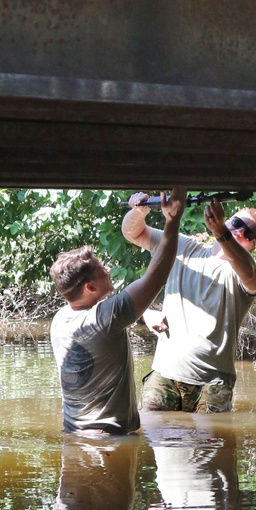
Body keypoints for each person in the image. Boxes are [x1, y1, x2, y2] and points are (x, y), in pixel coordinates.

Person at [49, 187, 186, 436]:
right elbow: (157, 276)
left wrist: (144, 314)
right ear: (90, 287)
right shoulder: (104, 317)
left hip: (75, 436)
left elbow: (111, 322)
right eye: (102, 268)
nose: (108, 268)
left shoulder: (60, 319)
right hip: (108, 442)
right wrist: (172, 220)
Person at [121, 192, 256, 413]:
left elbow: (249, 274)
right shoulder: (183, 246)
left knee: (212, 446)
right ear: (227, 219)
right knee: (150, 433)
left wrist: (221, 232)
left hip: (214, 381)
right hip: (165, 373)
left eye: (248, 234)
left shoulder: (249, 271)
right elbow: (133, 233)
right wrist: (138, 211)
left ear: (252, 247)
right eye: (236, 223)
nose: (239, 231)